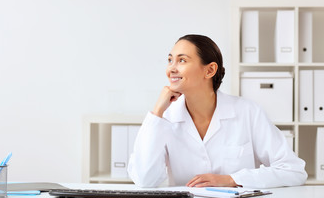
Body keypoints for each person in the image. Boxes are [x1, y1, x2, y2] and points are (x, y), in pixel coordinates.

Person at [127, 34, 308, 188]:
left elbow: (293, 170)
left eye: (182, 60)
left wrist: (232, 180)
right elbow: (145, 180)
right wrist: (157, 111)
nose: (171, 69)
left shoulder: (247, 112)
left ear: (210, 70)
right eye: (170, 60)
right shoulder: (165, 118)